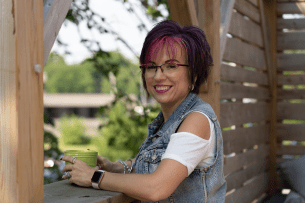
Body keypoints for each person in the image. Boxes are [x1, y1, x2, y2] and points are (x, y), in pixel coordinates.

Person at [61, 20, 227, 202]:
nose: (158, 76)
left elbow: (157, 187)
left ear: (194, 74)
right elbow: (160, 164)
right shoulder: (167, 121)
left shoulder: (197, 120)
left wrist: (94, 177)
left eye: (171, 66)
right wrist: (114, 167)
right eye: (151, 67)